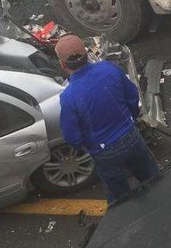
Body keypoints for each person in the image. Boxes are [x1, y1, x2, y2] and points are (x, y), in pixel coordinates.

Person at [57, 35, 159, 203]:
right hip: (131, 136)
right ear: (86, 53)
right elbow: (133, 97)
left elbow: (72, 137)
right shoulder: (108, 68)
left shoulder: (69, 97)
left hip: (105, 152)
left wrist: (88, 146)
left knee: (119, 197)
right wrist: (130, 119)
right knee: (152, 178)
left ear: (62, 64)